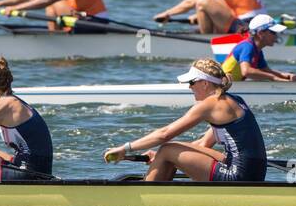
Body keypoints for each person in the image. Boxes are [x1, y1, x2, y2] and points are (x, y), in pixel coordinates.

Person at [103, 58, 267, 182]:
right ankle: (160, 176)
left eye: (191, 82)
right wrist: (160, 156)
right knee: (168, 152)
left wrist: (125, 148)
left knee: (167, 148)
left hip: (238, 175)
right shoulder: (233, 99)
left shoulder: (211, 104)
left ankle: (145, 197)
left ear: (204, 83)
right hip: (254, 172)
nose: (189, 87)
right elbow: (203, 145)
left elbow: (164, 134)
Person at [221, 14, 296, 81]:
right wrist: (273, 78)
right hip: (221, 85)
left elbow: (266, 71)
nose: (276, 36)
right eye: (273, 32)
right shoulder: (247, 46)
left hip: (233, 84)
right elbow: (246, 71)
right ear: (260, 33)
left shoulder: (258, 50)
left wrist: (287, 76)